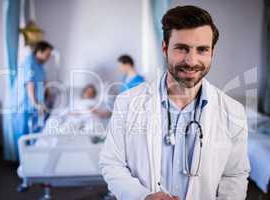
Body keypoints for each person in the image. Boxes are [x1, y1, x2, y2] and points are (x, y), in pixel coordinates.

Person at [100, 5, 250, 200]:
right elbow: (112, 163)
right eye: (182, 48)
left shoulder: (233, 111)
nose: (191, 60)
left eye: (202, 50)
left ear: (212, 52)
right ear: (165, 48)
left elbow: (235, 174)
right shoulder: (127, 103)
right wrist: (142, 197)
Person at [14, 41, 53, 152]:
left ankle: (34, 152)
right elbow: (29, 84)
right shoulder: (29, 63)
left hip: (37, 102)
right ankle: (23, 158)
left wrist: (48, 93)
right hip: (26, 103)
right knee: (25, 130)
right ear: (39, 52)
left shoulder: (40, 65)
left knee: (36, 128)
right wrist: (35, 103)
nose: (49, 57)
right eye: (47, 54)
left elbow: (43, 81)